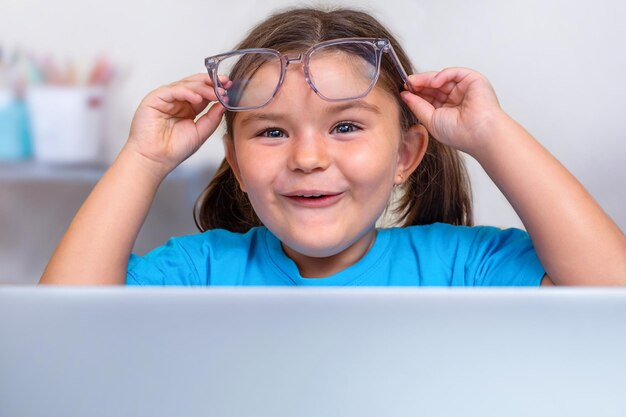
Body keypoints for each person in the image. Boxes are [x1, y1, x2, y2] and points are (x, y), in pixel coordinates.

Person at [40, 7, 626, 286]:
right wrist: (143, 159)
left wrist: (491, 135)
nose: (308, 157)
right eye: (271, 131)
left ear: (405, 155)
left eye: (345, 126)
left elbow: (611, 292)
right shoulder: (200, 271)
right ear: (236, 163)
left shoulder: (461, 267)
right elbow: (63, 332)